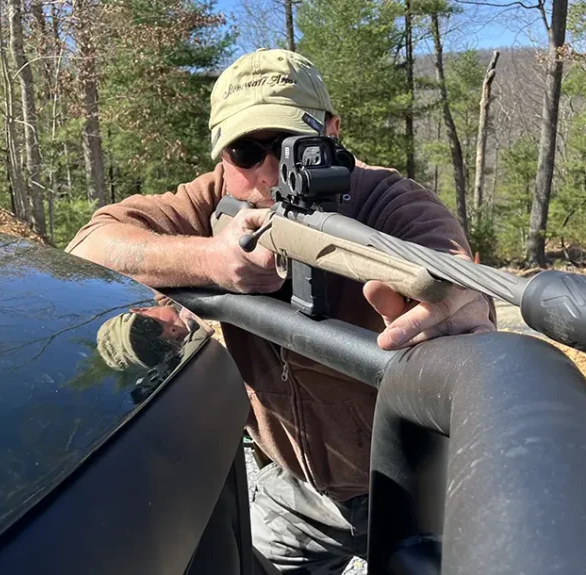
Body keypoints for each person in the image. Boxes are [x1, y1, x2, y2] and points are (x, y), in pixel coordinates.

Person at [65, 48, 495, 574]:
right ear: (222, 157)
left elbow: (447, 267)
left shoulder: (384, 197)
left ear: (333, 132)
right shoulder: (212, 200)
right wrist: (211, 260)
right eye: (245, 150)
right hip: (301, 495)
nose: (270, 172)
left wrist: (456, 302)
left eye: (293, 146)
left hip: (422, 489)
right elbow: (89, 244)